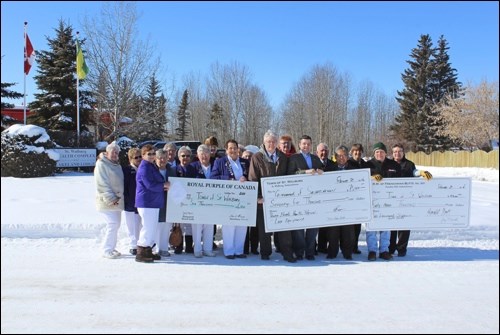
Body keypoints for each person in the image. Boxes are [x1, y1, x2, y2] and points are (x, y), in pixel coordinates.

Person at [248, 130, 296, 263]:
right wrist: (257, 196)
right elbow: (252, 178)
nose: (271, 144)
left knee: (283, 227)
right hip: (263, 199)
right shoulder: (257, 157)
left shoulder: (283, 157)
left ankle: (287, 252)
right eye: (269, 141)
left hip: (280, 199)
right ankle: (265, 252)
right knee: (264, 228)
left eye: (274, 141)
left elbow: (288, 176)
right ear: (264, 142)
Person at [389, 143, 433, 257]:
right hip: (391, 200)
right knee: (391, 225)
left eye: (399, 151)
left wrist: (421, 173)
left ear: (403, 152)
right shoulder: (388, 164)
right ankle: (390, 248)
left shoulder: (409, 164)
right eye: (395, 152)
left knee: (404, 225)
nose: (397, 153)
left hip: (406, 200)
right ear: (392, 153)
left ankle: (402, 249)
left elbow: (414, 172)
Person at [211, 139, 250, 259]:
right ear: (226, 150)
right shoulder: (220, 162)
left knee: (242, 224)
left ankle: (239, 250)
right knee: (229, 224)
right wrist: (227, 179)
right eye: (230, 148)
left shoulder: (244, 162)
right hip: (227, 198)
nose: (233, 150)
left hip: (243, 197)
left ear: (238, 150)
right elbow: (213, 178)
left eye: (235, 148)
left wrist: (246, 178)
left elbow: (251, 176)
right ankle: (229, 251)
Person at [287, 135, 324, 260]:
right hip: (298, 196)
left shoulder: (315, 158)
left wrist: (321, 172)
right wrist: (305, 172)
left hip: (314, 197)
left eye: (308, 144)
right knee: (299, 226)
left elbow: (323, 172)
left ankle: (310, 251)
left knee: (313, 225)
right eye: (304, 144)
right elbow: (290, 174)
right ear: (299, 145)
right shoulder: (294, 158)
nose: (306, 146)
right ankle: (299, 251)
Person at [367, 142, 401, 261]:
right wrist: (371, 177)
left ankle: (384, 250)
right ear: (374, 153)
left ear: (386, 153)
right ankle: (372, 250)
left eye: (381, 152)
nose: (379, 154)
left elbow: (402, 180)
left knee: (386, 228)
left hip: (388, 202)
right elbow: (362, 180)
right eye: (377, 152)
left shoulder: (393, 165)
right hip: (372, 201)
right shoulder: (369, 164)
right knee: (371, 228)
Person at [135, 144, 170, 263]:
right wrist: (163, 185)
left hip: (153, 202)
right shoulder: (144, 167)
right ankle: (141, 251)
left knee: (152, 228)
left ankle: (148, 249)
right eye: (148, 154)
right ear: (143, 155)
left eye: (153, 153)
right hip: (147, 202)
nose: (151, 156)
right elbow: (149, 184)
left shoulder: (151, 166)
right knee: (148, 228)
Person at [95, 141, 125, 259]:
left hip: (117, 201)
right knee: (112, 224)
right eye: (113, 152)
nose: (115, 154)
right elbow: (102, 183)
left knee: (115, 225)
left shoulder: (116, 164)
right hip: (107, 201)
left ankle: (111, 247)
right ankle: (106, 249)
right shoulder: (102, 164)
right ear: (107, 152)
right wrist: (110, 198)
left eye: (117, 152)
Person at [325, 145, 356, 260]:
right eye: (339, 155)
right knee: (333, 231)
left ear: (347, 157)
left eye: (344, 155)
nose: (341, 158)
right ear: (335, 157)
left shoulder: (354, 169)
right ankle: (332, 252)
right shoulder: (329, 169)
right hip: (333, 205)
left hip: (349, 205)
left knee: (348, 231)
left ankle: (347, 252)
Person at [189, 144, 217, 257]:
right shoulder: (192, 167)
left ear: (210, 154)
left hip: (212, 202)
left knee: (209, 225)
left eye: (206, 153)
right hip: (197, 202)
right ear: (197, 155)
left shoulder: (215, 165)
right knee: (197, 226)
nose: (204, 156)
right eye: (201, 154)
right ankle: (197, 249)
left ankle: (207, 248)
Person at [346, 143, 370, 254]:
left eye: (359, 151)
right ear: (351, 152)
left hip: (361, 200)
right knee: (349, 226)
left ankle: (355, 246)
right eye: (355, 151)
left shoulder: (365, 164)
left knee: (357, 226)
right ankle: (348, 247)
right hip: (349, 199)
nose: (357, 153)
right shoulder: (348, 163)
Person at [173, 146, 195, 254]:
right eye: (183, 156)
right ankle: (178, 246)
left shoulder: (194, 169)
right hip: (178, 201)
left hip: (191, 200)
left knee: (189, 225)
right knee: (179, 224)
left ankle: (189, 246)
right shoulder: (174, 170)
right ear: (179, 157)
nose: (185, 158)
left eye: (187, 156)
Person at [315, 143, 337, 255]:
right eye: (321, 151)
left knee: (327, 223)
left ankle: (323, 246)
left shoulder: (333, 165)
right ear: (317, 152)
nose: (323, 153)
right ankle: (315, 246)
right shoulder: (313, 164)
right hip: (315, 198)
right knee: (315, 224)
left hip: (330, 198)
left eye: (325, 151)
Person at [122, 147, 142, 255]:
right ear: (130, 158)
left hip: (141, 202)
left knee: (140, 224)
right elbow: (123, 187)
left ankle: (140, 244)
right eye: (136, 157)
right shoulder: (126, 170)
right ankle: (133, 245)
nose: (139, 159)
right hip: (130, 202)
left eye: (140, 157)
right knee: (132, 225)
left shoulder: (143, 168)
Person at [153, 149, 171, 257]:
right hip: (155, 200)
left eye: (164, 158)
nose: (162, 160)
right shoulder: (152, 170)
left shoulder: (171, 170)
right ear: (155, 159)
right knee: (156, 225)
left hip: (169, 201)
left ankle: (164, 248)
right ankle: (156, 248)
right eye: (160, 158)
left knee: (166, 224)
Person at [241, 149, 259, 255]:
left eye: (250, 156)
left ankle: (254, 247)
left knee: (254, 227)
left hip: (255, 199)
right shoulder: (240, 167)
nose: (247, 158)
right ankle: (245, 247)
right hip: (243, 200)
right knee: (244, 226)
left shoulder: (255, 167)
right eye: (245, 156)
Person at [204, 135, 220, 249]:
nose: (212, 149)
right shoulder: (200, 158)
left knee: (212, 218)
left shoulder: (219, 159)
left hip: (215, 192)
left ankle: (211, 239)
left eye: (214, 146)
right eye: (209, 146)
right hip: (202, 192)